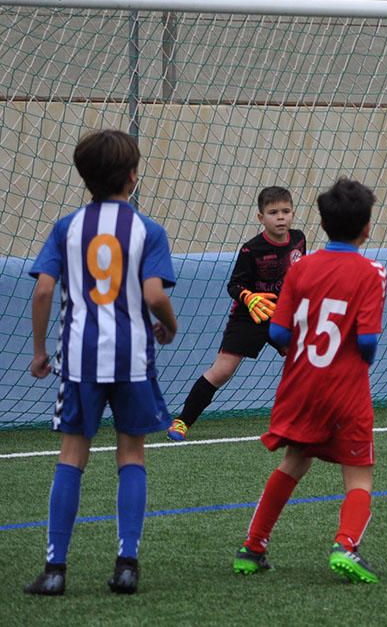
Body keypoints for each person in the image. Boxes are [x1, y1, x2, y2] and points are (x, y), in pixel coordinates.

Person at [24, 130, 179, 596]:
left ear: (84, 177)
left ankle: (55, 570)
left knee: (72, 456)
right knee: (131, 454)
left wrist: (39, 351)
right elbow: (153, 295)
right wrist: (169, 325)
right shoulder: (148, 230)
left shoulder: (66, 227)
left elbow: (45, 289)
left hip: (78, 359)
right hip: (132, 359)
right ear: (133, 178)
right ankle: (127, 564)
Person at [233, 177, 387, 584]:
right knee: (359, 473)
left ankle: (252, 548)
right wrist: (357, 359)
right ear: (367, 226)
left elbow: (279, 334)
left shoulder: (301, 267)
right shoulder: (372, 272)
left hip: (300, 385)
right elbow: (368, 340)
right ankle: (346, 545)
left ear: (321, 223)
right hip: (345, 389)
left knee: (295, 461)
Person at [166, 187, 306, 441]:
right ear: (260, 217)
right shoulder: (250, 250)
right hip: (248, 317)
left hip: (281, 315)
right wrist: (249, 297)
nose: (281, 217)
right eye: (273, 212)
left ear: (293, 213)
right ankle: (182, 422)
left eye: (285, 211)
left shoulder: (299, 240)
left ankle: (307, 418)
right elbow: (234, 285)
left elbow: (298, 275)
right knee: (222, 370)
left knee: (305, 361)